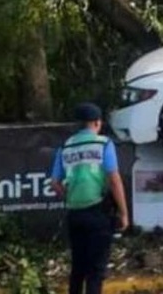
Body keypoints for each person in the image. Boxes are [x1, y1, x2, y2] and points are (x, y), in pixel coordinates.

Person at [50, 102, 129, 294]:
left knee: (78, 269)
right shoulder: (103, 143)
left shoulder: (65, 146)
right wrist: (124, 213)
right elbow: (114, 179)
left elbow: (54, 183)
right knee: (96, 270)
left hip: (74, 214)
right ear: (96, 123)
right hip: (97, 212)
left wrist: (68, 195)